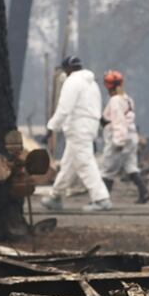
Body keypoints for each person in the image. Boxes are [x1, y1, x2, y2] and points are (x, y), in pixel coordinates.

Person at [42, 56, 112, 212]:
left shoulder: (72, 82)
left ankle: (101, 199)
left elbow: (64, 109)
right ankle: (55, 196)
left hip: (78, 127)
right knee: (69, 165)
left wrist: (51, 128)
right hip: (89, 126)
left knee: (85, 163)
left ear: (68, 68)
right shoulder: (92, 83)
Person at [100, 70, 149, 204]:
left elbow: (119, 121)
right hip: (131, 136)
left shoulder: (115, 100)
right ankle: (144, 192)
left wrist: (118, 141)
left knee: (107, 169)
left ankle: (102, 199)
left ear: (107, 85)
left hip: (120, 137)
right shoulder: (127, 98)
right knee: (130, 166)